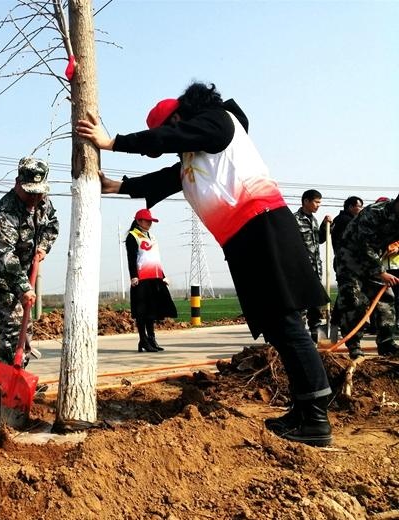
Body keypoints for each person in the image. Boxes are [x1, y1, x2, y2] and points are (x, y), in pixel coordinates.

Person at [76, 81, 333, 447]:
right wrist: (118, 186)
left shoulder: (219, 123)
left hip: (264, 229)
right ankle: (304, 408)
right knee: (275, 327)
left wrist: (113, 141)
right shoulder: (192, 161)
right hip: (243, 241)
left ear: (180, 119)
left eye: (170, 131)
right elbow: (163, 178)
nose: (170, 141)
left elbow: (168, 140)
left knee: (288, 322)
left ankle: (317, 418)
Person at [0, 157, 59, 366]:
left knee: (26, 329)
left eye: (38, 191)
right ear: (17, 182)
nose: (34, 197)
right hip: (1, 276)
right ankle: (9, 375)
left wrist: (43, 246)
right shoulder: (6, 212)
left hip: (24, 271)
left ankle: (20, 368)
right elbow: (5, 254)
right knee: (14, 325)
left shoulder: (44, 201)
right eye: (29, 191)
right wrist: (24, 287)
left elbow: (52, 224)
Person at [335, 197, 399, 359]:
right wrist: (381, 272)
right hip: (349, 258)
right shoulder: (374, 213)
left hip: (373, 259)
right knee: (354, 302)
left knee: (386, 299)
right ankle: (354, 346)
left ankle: (387, 344)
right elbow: (364, 245)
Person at [126, 208, 177, 353]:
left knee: (152, 311)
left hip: (154, 277)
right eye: (147, 221)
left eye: (150, 221)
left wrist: (163, 275)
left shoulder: (151, 237)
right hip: (141, 279)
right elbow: (131, 258)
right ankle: (143, 340)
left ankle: (151, 339)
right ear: (138, 221)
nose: (149, 223)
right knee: (142, 312)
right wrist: (133, 276)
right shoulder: (133, 236)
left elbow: (155, 259)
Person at [293, 190, 332, 342]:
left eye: (320, 203)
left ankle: (317, 338)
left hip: (317, 270)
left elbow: (319, 239)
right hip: (302, 270)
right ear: (306, 201)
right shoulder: (295, 220)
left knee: (316, 306)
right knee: (302, 305)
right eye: (316, 202)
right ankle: (301, 339)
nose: (318, 206)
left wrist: (325, 225)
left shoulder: (314, 220)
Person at [329, 196, 364, 340]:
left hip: (342, 262)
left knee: (345, 292)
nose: (361, 209)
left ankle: (335, 323)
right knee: (348, 294)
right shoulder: (347, 222)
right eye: (359, 206)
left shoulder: (339, 220)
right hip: (347, 263)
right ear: (350, 207)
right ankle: (339, 324)